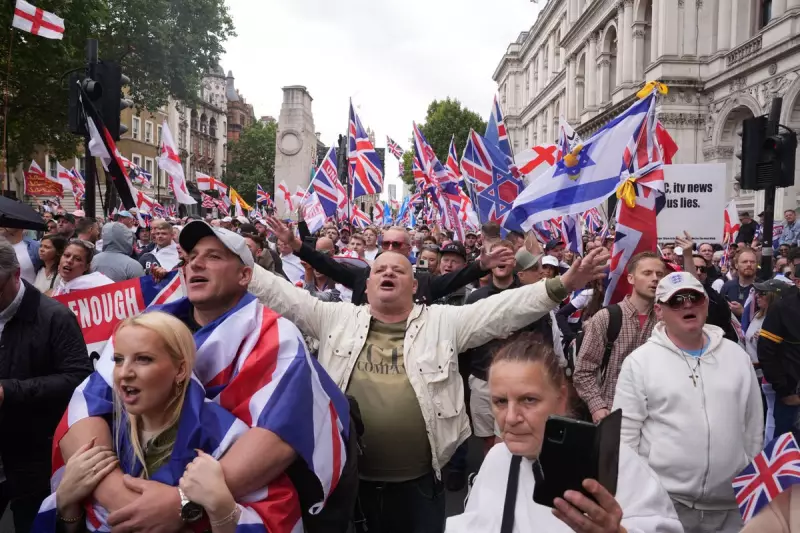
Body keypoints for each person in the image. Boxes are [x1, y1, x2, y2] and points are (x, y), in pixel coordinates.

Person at [246, 242, 610, 533]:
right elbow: (280, 295)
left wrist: (562, 284)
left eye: (399, 269)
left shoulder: (444, 322)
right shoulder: (332, 317)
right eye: (379, 270)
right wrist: (234, 259)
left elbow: (505, 309)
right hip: (348, 484)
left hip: (420, 485)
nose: (388, 272)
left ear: (415, 285)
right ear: (367, 285)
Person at [58, 222, 355, 533]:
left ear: (244, 276)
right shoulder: (147, 326)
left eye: (213, 256)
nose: (195, 263)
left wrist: (181, 502)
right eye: (190, 258)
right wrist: (114, 494)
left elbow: (278, 437)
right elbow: (88, 405)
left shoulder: (278, 338)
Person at [44, 312, 296, 532]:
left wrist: (220, 508)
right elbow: (75, 523)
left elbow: (276, 519)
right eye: (118, 359)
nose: (125, 373)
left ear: (180, 370)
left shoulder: (224, 440)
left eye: (144, 359)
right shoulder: (106, 432)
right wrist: (67, 503)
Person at [446, 334, 682, 533]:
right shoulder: (498, 459)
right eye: (499, 401)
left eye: (528, 400)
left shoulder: (617, 463)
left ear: (561, 397)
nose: (510, 417)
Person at [613, 271, 763, 533]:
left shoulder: (736, 356)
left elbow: (753, 427)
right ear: (659, 311)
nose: (687, 304)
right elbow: (624, 440)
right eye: (676, 300)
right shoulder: (639, 362)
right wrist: (635, 497)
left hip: (729, 509)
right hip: (664, 506)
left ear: (705, 303)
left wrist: (746, 484)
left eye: (693, 297)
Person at [0, 239, 93, 532]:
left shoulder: (55, 317)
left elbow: (77, 377)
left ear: (15, 275)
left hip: (32, 458)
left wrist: (10, 391)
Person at [267, 217, 511, 305]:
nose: (390, 249)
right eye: (386, 244)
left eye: (397, 244)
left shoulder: (425, 282)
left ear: (409, 249)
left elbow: (458, 277)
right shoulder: (362, 277)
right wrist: (297, 245)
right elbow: (326, 264)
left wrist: (481, 264)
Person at [573, 252, 667, 423]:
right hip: (612, 414)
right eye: (647, 273)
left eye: (659, 274)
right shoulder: (606, 318)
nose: (655, 279)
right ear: (631, 279)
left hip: (653, 416)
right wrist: (598, 407)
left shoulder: (665, 321)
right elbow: (584, 371)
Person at [747, 278, 792, 442]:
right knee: (766, 419)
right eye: (757, 293)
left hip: (774, 379)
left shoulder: (782, 319)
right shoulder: (758, 315)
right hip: (757, 375)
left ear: (774, 296)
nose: (758, 296)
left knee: (776, 421)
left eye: (763, 293)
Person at [759, 271, 800, 439]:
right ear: (797, 282)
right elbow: (766, 351)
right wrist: (785, 390)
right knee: (788, 455)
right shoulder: (783, 308)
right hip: (793, 399)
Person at [720, 247, 759, 317]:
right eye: (744, 262)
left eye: (752, 262)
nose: (749, 264)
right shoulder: (727, 286)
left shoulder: (763, 289)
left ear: (756, 265)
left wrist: (743, 312)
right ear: (736, 265)